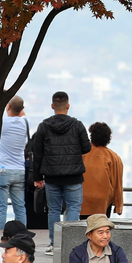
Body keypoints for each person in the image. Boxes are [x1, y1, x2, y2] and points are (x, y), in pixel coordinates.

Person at [28, 90, 91, 254]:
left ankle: (54, 244)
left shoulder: (43, 126)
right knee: (73, 209)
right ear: (68, 106)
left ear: (52, 106)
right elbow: (87, 147)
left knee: (53, 210)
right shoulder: (77, 125)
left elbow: (37, 153)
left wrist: (37, 177)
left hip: (52, 176)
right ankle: (70, 245)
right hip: (74, 176)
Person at [0, 97, 31, 231]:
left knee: (0, 209)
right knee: (20, 207)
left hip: (2, 170)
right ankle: (22, 236)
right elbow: (21, 111)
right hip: (19, 170)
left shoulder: (1, 123)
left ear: (7, 107)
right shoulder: (25, 122)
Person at [81, 122, 124, 219]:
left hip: (82, 200)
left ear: (91, 136)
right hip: (103, 203)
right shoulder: (114, 157)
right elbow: (117, 183)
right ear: (108, 138)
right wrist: (118, 206)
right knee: (100, 230)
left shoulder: (82, 153)